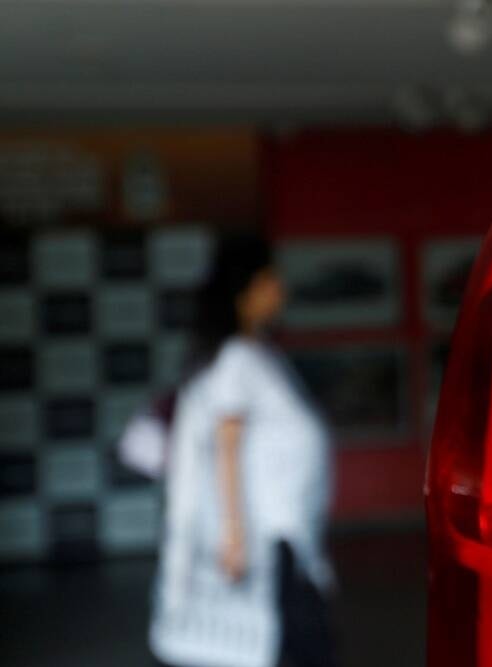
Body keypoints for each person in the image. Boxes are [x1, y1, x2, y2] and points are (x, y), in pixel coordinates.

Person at [150, 234, 335, 667]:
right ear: (246, 291)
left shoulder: (255, 354)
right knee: (302, 646)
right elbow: (226, 447)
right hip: (266, 540)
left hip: (284, 536)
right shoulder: (236, 358)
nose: (280, 290)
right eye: (271, 280)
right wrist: (234, 537)